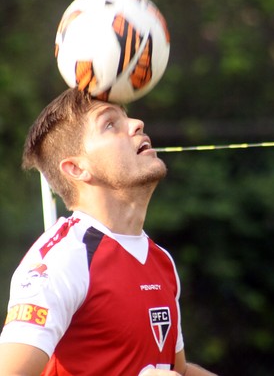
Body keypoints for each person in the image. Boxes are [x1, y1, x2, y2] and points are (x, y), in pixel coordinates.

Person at [0, 88, 218, 376]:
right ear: (77, 168)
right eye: (110, 124)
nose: (137, 124)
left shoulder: (161, 260)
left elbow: (177, 370)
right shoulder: (61, 261)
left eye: (126, 117)